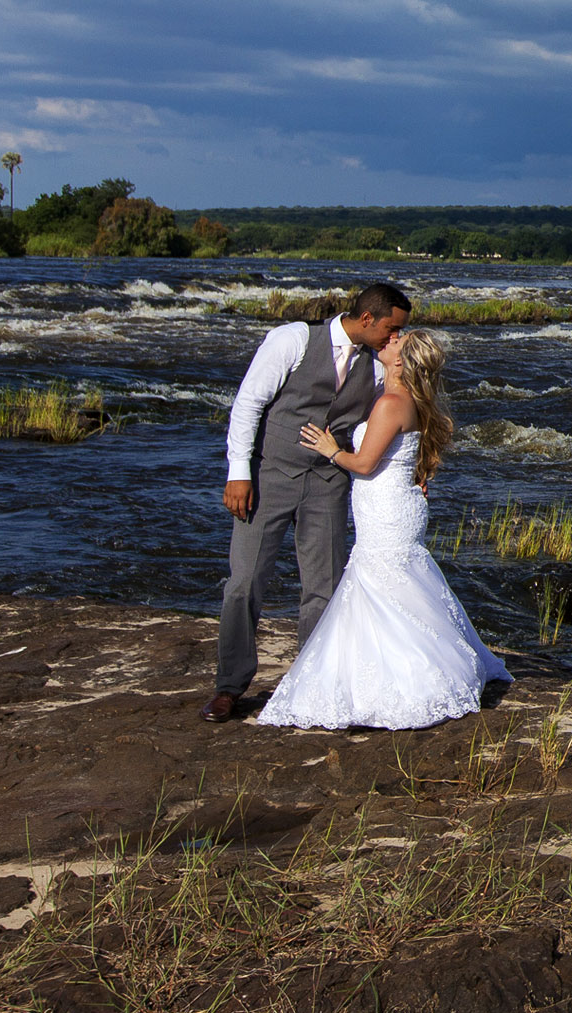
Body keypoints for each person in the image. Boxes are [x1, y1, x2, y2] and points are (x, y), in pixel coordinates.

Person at [255, 326, 510, 729]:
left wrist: (331, 449)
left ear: (401, 362)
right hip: (395, 505)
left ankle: (404, 677)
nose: (389, 341)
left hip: (386, 507)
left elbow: (365, 464)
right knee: (396, 583)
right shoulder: (405, 399)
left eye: (397, 342)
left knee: (381, 583)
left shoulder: (391, 401)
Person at [205, 282, 410, 722]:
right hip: (269, 477)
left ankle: (310, 686)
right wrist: (238, 472)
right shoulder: (293, 340)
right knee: (243, 584)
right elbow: (248, 404)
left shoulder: (377, 369)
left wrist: (416, 471)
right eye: (392, 330)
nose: (395, 339)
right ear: (368, 318)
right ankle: (229, 686)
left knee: (323, 589)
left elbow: (392, 423)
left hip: (327, 485)